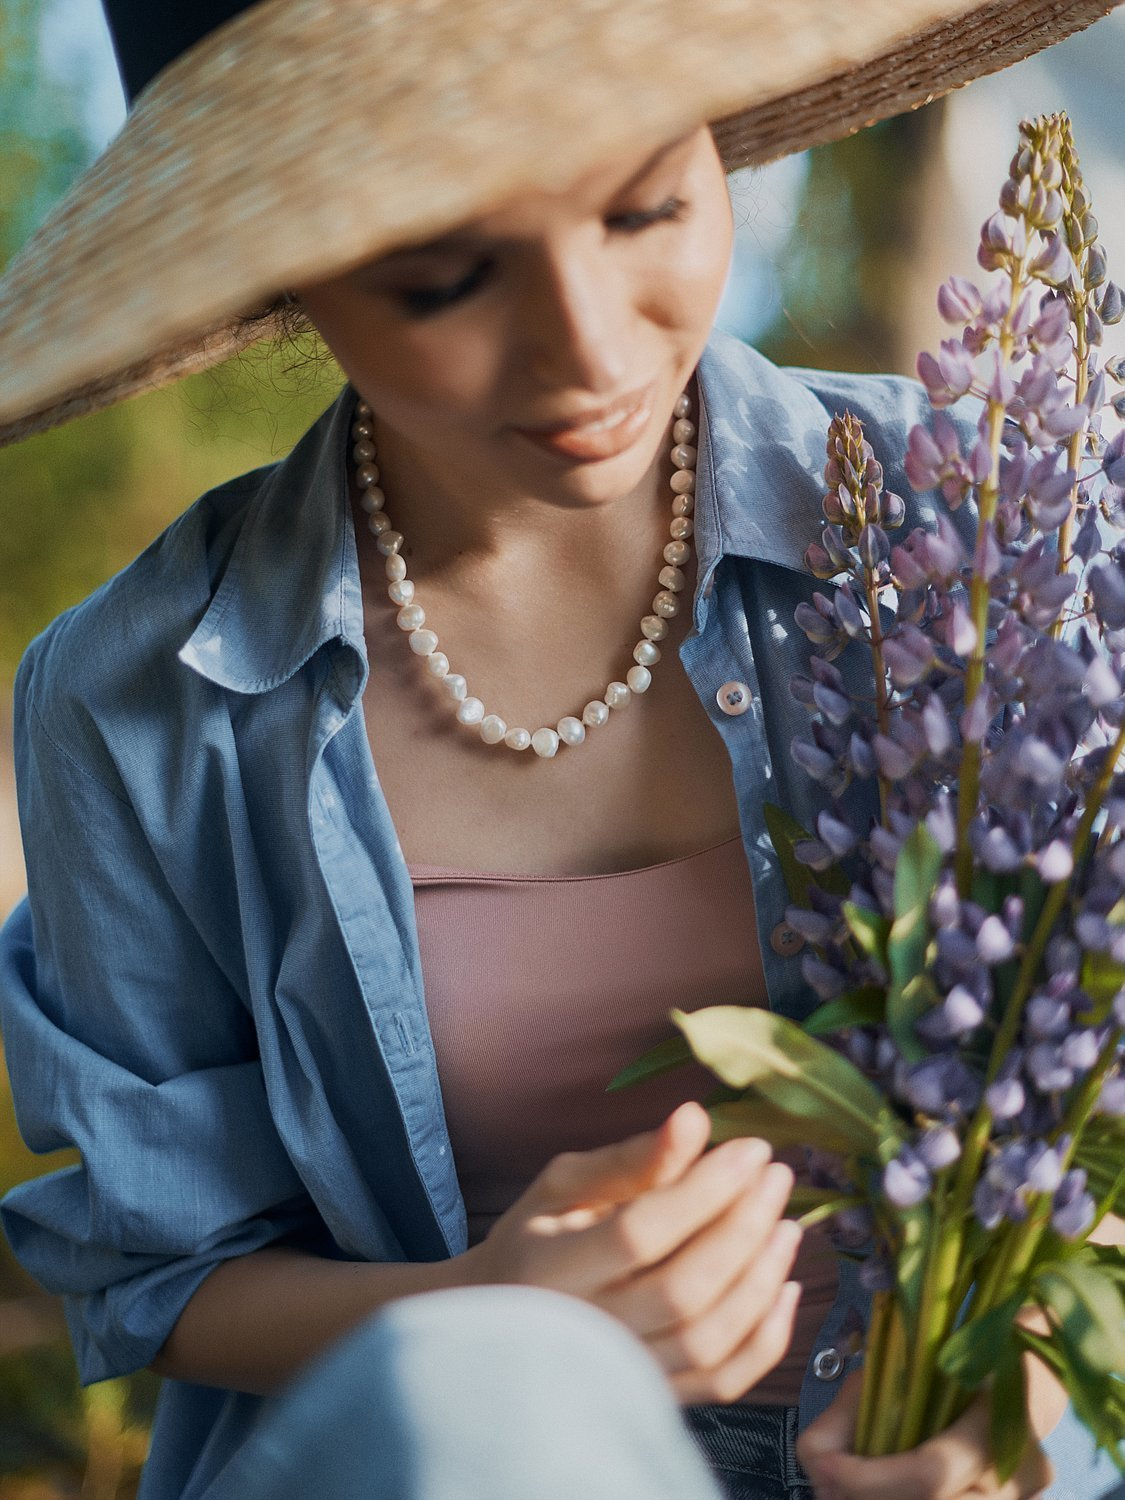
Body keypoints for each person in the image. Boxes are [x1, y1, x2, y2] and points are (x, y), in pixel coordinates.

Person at [0, 2, 1119, 1498]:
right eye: (445, 276)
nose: (585, 347)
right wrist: (494, 1319)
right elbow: (149, 1270)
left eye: (645, 203)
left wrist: (1017, 1369)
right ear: (291, 277)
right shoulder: (139, 699)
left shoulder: (981, 531)